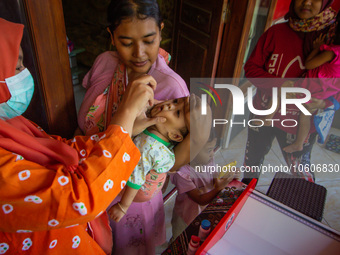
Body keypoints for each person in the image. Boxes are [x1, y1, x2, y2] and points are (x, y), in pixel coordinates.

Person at [0, 17, 157, 255]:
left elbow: (63, 148)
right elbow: (78, 197)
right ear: (112, 38)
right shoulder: (104, 63)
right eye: (16, 67)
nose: (138, 52)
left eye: (148, 40)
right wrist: (123, 120)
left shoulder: (10, 123)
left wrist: (127, 128)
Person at [242, 0, 338, 184]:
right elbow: (251, 69)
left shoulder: (331, 42)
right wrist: (280, 84)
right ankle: (243, 201)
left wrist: (326, 103)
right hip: (263, 113)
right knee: (251, 165)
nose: (306, 2)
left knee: (300, 172)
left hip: (300, 124)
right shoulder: (276, 32)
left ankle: (303, 209)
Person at [108, 97, 189, 223]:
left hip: (138, 189)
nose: (170, 106)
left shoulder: (148, 145)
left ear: (175, 135)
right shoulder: (165, 134)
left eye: (177, 113)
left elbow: (136, 176)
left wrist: (123, 206)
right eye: (175, 101)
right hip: (153, 188)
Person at [284, 17, 340, 153]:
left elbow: (308, 64)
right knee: (305, 114)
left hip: (313, 86)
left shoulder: (332, 52)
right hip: (326, 91)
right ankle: (299, 143)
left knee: (282, 90)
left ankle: (267, 117)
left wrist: (315, 49)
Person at [170, 132, 239, 239]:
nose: (212, 154)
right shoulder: (183, 173)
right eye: (208, 150)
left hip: (204, 210)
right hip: (185, 217)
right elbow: (200, 199)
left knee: (198, 237)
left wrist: (227, 177)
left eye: (212, 149)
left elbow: (215, 177)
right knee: (180, 239)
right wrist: (219, 187)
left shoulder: (208, 160)